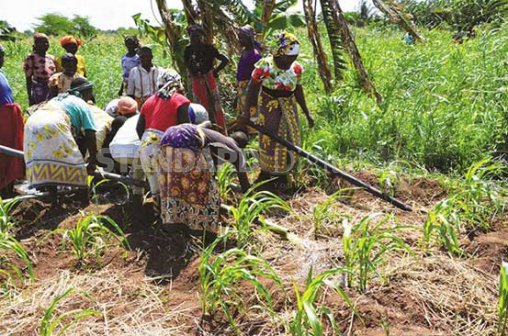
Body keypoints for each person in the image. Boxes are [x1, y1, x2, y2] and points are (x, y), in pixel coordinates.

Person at [238, 32, 314, 192]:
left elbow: (298, 91)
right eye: (289, 57)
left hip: (289, 107)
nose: (291, 61)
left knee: (290, 140)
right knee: (270, 141)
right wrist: (247, 112)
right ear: (280, 53)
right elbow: (252, 89)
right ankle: (267, 174)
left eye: (294, 57)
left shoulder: (297, 68)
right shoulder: (265, 65)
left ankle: (285, 175)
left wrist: (307, 113)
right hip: (269, 107)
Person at [158, 123, 250, 233]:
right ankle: (204, 230)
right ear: (242, 146)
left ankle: (173, 225)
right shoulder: (236, 150)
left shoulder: (216, 139)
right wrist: (251, 200)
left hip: (166, 138)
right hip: (185, 141)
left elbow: (210, 164)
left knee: (175, 186)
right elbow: (245, 183)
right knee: (210, 194)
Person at [24, 78, 97, 203]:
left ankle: (53, 199)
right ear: (84, 93)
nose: (91, 96)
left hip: (32, 123)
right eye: (90, 92)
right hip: (54, 123)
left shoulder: (57, 99)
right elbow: (90, 133)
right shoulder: (82, 104)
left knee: (48, 160)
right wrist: (93, 161)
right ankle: (85, 202)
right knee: (77, 164)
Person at [136, 70, 190, 200]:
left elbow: (139, 129)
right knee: (172, 190)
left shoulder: (148, 101)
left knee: (156, 193)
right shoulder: (180, 100)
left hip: (145, 144)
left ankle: (156, 217)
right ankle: (172, 218)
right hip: (164, 142)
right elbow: (185, 129)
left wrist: (149, 145)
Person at [184, 24, 229, 133]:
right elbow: (187, 65)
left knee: (216, 106)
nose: (194, 39)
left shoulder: (209, 48)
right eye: (192, 36)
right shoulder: (188, 50)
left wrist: (215, 71)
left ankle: (222, 131)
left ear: (201, 36)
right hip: (196, 82)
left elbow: (225, 60)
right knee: (200, 108)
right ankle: (203, 132)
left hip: (209, 79)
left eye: (197, 36)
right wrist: (194, 74)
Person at [0, 44, 24, 197]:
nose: (2, 59)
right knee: (3, 154)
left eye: (2, 55)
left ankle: (9, 187)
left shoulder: (1, 73)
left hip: (10, 116)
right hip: (3, 118)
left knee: (13, 151)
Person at [236, 25, 262, 128]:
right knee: (244, 110)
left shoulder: (255, 55)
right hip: (242, 86)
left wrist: (254, 93)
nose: (240, 40)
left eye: (242, 37)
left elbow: (258, 77)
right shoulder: (245, 52)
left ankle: (252, 132)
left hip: (250, 86)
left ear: (249, 38)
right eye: (239, 37)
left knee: (251, 110)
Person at [23, 33, 56, 106]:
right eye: (42, 42)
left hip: (51, 88)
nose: (45, 44)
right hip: (38, 88)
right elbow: (28, 78)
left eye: (46, 42)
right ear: (36, 44)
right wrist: (30, 96)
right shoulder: (31, 57)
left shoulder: (51, 57)